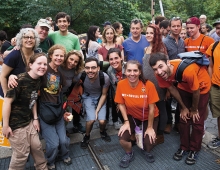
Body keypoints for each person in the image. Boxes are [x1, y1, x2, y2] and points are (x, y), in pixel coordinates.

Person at [149, 52, 211, 165]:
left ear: (168, 63)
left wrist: (193, 109)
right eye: (155, 69)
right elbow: (172, 89)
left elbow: (196, 92)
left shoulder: (189, 70)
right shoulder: (159, 74)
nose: (159, 72)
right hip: (184, 86)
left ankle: (194, 149)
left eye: (161, 66)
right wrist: (183, 107)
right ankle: (184, 147)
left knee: (197, 120)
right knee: (183, 118)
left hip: (201, 88)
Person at [2, 53, 48, 170]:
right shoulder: (19, 80)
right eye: (39, 63)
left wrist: (35, 118)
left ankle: (42, 168)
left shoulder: (38, 80)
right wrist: (5, 126)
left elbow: (33, 99)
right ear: (30, 65)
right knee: (21, 154)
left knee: (37, 147)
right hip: (15, 124)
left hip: (28, 121)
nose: (42, 66)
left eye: (45, 64)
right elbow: (7, 103)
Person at [115, 60, 159, 168]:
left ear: (140, 72)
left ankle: (146, 149)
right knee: (122, 138)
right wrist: (125, 122)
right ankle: (129, 153)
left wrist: (149, 127)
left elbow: (152, 109)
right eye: (129, 70)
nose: (132, 73)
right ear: (125, 72)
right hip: (133, 116)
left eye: (135, 70)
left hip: (149, 116)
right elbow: (120, 104)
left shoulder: (149, 85)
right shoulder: (121, 84)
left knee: (149, 143)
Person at [38, 45, 72, 170]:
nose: (59, 58)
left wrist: (65, 111)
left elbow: (60, 94)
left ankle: (64, 154)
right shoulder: (43, 69)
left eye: (61, 56)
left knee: (63, 141)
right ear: (51, 55)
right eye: (56, 55)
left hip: (57, 110)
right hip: (44, 111)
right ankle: (50, 161)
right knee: (53, 144)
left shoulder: (60, 74)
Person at [143, 24, 167, 144]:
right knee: (152, 108)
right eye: (147, 33)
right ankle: (152, 129)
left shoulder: (160, 49)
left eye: (151, 33)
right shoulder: (146, 48)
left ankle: (160, 134)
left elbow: (165, 69)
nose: (148, 35)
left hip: (158, 84)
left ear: (156, 34)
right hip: (147, 85)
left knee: (161, 108)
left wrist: (167, 88)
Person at [80, 57, 111, 149]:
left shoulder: (104, 77)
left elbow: (104, 94)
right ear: (84, 68)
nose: (90, 70)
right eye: (87, 68)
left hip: (100, 97)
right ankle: (87, 135)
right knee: (91, 120)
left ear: (98, 68)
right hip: (88, 97)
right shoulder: (81, 76)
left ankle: (102, 131)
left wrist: (97, 110)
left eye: (93, 67)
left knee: (102, 121)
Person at [0, 28, 40, 97]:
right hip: (11, 94)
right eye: (26, 37)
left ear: (35, 40)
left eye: (32, 37)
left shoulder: (37, 55)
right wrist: (6, 95)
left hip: (26, 96)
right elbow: (2, 76)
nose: (29, 40)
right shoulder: (14, 55)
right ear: (21, 40)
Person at [163, 17, 185, 133]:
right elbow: (163, 63)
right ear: (170, 27)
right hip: (168, 77)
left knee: (180, 99)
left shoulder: (183, 41)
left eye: (178, 26)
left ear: (181, 26)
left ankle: (177, 122)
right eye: (173, 26)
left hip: (180, 77)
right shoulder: (165, 42)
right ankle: (168, 123)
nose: (176, 28)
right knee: (167, 100)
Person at [58, 50, 85, 133]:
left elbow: (75, 83)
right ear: (66, 58)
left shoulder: (76, 71)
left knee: (74, 103)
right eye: (71, 59)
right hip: (54, 93)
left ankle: (75, 124)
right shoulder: (59, 66)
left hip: (66, 92)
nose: (72, 63)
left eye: (76, 61)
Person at [106, 48, 125, 129]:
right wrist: (118, 102)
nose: (114, 61)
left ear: (121, 58)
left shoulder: (128, 67)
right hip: (119, 93)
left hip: (132, 93)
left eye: (116, 58)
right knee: (119, 109)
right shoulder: (110, 71)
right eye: (111, 59)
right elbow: (115, 88)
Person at [206, 40, 220, 149]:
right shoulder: (214, 46)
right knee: (218, 114)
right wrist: (210, 82)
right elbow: (210, 65)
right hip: (215, 86)